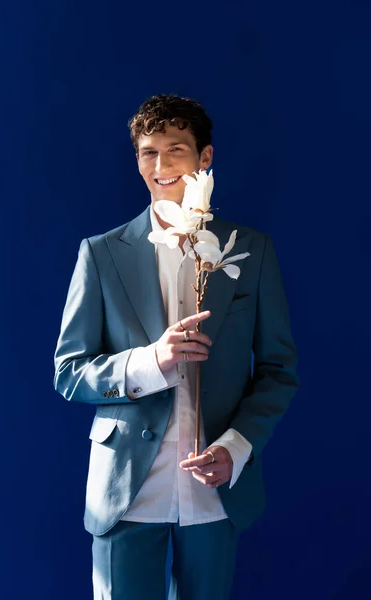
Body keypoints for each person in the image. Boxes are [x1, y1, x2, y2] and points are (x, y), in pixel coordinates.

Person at [53, 93, 300, 600]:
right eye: (149, 152)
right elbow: (69, 371)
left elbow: (278, 369)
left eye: (176, 149)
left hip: (216, 490)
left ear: (204, 158)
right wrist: (151, 363)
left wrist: (236, 447)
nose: (161, 166)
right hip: (125, 488)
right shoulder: (100, 254)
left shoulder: (250, 251)